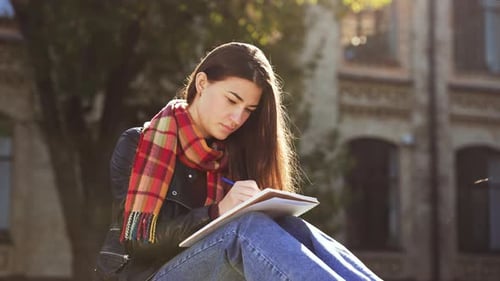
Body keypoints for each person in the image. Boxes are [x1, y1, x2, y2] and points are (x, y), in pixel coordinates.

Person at [94, 42, 382, 281]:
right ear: (202, 83)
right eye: (232, 100)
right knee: (246, 229)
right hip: (145, 274)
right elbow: (139, 240)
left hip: (207, 267)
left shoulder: (231, 153)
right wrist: (217, 212)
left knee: (292, 227)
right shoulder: (140, 143)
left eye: (248, 110)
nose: (237, 118)